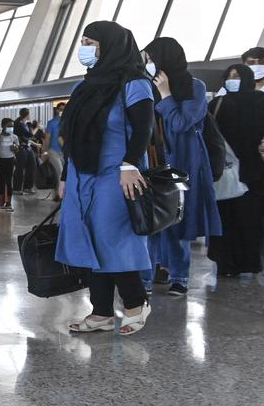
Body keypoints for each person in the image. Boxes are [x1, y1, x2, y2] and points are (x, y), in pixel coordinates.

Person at [56, 21, 153, 336]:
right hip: (82, 172)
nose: (84, 48)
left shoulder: (134, 82)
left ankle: (136, 302)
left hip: (117, 171)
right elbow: (71, 134)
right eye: (82, 41)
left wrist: (130, 164)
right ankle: (100, 311)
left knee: (113, 238)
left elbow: (143, 128)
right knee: (88, 238)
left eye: (90, 42)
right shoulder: (85, 84)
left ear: (109, 45)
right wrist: (64, 174)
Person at [141, 37, 222, 296]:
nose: (149, 64)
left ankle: (179, 277)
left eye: (152, 59)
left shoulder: (194, 87)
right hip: (151, 162)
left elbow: (180, 123)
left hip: (183, 164)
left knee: (177, 221)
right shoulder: (144, 87)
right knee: (148, 221)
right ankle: (146, 277)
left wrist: (166, 95)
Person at [207, 64, 264, 276]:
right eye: (229, 76)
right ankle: (225, 264)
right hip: (225, 171)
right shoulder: (218, 103)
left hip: (254, 173)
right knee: (226, 219)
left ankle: (251, 263)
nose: (232, 79)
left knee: (252, 221)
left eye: (237, 76)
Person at [42, 102, 66, 199]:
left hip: (64, 152)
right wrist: (45, 152)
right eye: (61, 109)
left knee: (63, 174)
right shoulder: (51, 123)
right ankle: (59, 195)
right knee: (60, 172)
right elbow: (47, 138)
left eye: (64, 110)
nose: (62, 111)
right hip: (53, 151)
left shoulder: (67, 122)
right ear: (57, 110)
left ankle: (58, 193)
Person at [0, 118, 19, 212]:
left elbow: (17, 149)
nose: (11, 128)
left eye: (12, 126)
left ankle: (8, 202)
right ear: (4, 126)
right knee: (1, 180)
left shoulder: (14, 137)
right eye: (9, 126)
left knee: (9, 181)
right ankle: (1, 202)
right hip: (0, 160)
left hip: (10, 160)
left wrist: (15, 149)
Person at [13, 108, 36, 194]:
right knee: (20, 167)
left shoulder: (24, 123)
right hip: (21, 147)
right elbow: (30, 134)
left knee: (32, 165)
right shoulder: (19, 123)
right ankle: (17, 188)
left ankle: (28, 187)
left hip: (27, 147)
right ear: (27, 114)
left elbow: (28, 137)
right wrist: (33, 127)